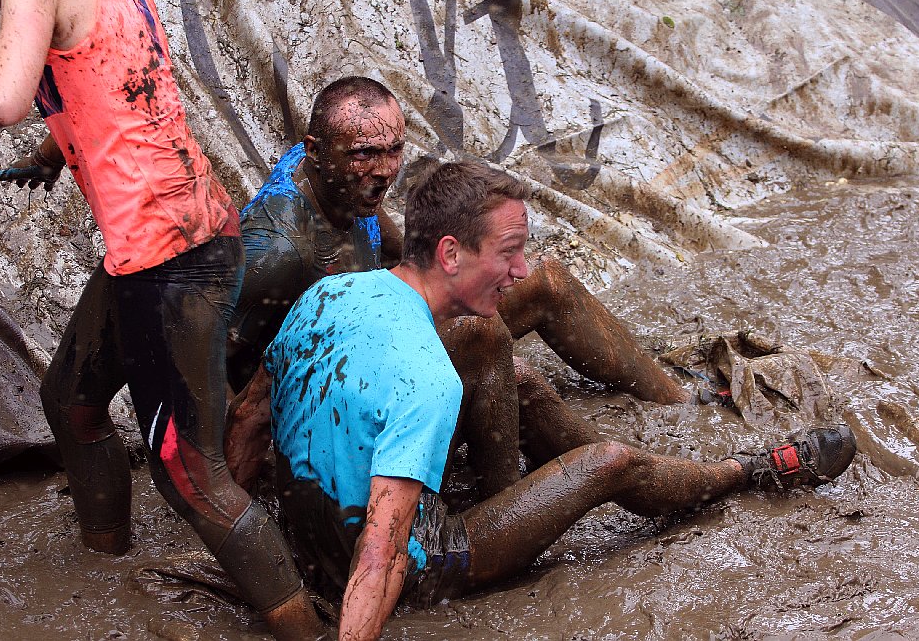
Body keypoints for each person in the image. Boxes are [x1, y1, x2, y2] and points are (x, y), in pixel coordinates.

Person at [265, 160, 858, 640]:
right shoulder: (428, 381)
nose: (522, 270)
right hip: (424, 560)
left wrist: (261, 547)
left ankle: (587, 476)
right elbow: (384, 554)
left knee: (519, 379)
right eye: (509, 252)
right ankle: (750, 471)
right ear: (450, 254)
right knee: (609, 464)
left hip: (314, 521)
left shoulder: (329, 295)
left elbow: (246, 420)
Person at [0, 0, 322, 637]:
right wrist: (55, 148)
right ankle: (105, 569)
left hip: (169, 258)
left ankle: (311, 628)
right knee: (72, 400)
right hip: (173, 232)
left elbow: (1, 97)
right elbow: (119, 72)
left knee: (189, 473)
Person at [224, 76, 688, 496]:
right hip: (336, 394)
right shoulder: (277, 250)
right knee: (492, 352)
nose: (385, 171)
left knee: (547, 282)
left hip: (382, 330)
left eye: (394, 150)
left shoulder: (345, 177)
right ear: (315, 152)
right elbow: (216, 376)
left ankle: (679, 404)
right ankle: (535, 496)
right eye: (366, 155)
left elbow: (394, 245)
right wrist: (237, 498)